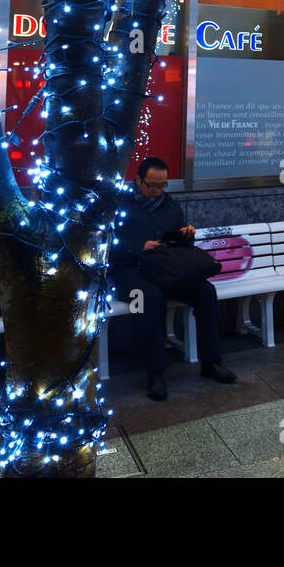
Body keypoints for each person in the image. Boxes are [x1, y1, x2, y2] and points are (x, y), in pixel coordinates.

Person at [110, 157, 236, 401]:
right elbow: (105, 246)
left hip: (166, 269)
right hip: (130, 271)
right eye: (152, 185)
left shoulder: (169, 205)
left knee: (205, 292)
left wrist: (186, 236)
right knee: (150, 298)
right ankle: (155, 371)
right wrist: (138, 246)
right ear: (138, 180)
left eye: (162, 186)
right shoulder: (120, 205)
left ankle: (211, 361)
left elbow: (178, 246)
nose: (157, 191)